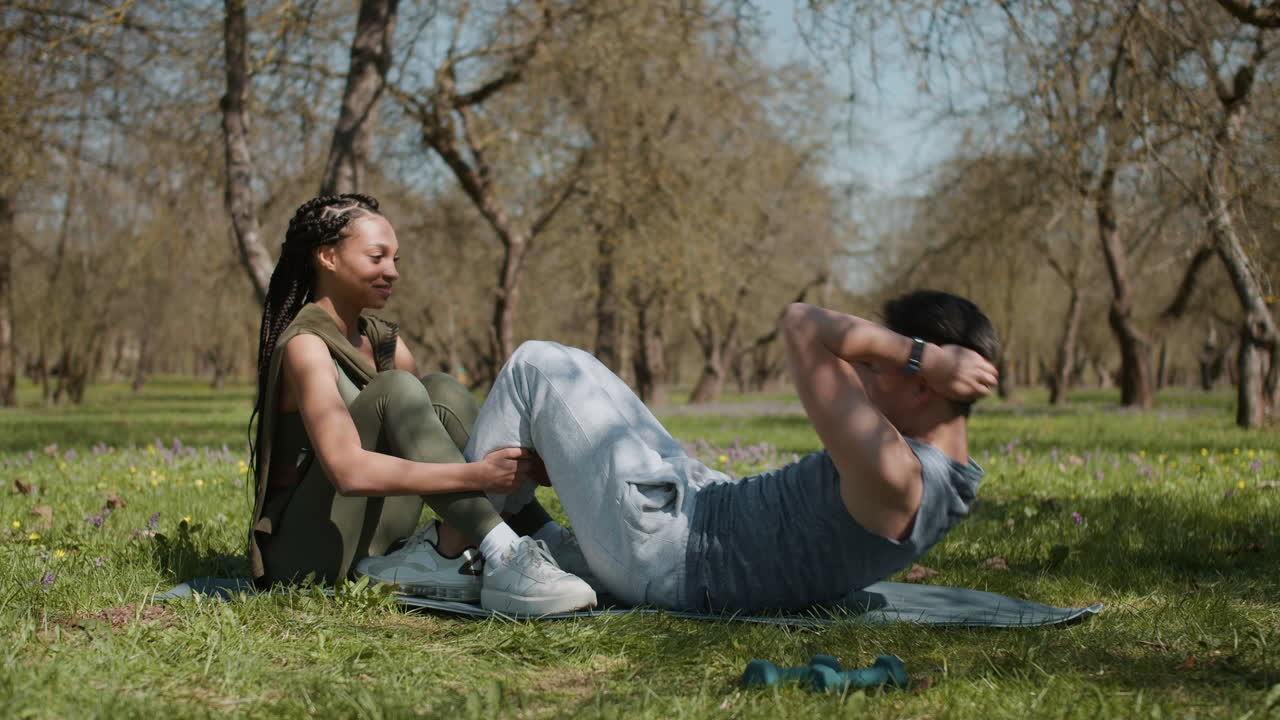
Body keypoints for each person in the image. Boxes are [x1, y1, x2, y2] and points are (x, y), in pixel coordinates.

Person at [372, 290, 999, 612]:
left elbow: (803, 324)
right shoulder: (951, 481)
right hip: (694, 512)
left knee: (535, 364)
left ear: (924, 386)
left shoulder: (897, 474)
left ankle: (453, 553)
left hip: (670, 549)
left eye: (877, 367)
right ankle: (507, 529)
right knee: (576, 369)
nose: (860, 376)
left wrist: (921, 355)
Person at [246, 193, 596, 615]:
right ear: (328, 257)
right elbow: (347, 472)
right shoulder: (306, 345)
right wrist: (477, 474)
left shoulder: (383, 341)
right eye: (377, 257)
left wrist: (524, 468)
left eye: (395, 260)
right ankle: (502, 552)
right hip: (305, 555)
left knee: (442, 390)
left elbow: (433, 437)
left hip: (376, 541)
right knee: (397, 388)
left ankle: (543, 536)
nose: (392, 272)